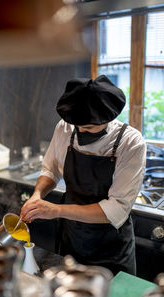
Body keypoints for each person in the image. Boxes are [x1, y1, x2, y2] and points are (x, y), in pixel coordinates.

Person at [20, 75, 146, 275]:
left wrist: (57, 210)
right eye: (76, 126)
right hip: (72, 239)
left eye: (87, 128)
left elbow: (117, 208)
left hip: (110, 247)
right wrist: (37, 195)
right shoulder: (64, 127)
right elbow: (50, 169)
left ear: (108, 119)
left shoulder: (130, 142)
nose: (79, 131)